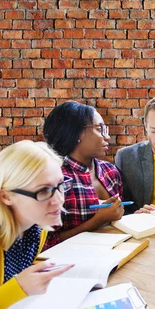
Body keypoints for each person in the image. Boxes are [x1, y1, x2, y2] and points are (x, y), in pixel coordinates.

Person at [0, 141, 75, 309]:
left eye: (60, 185)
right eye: (43, 191)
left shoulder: (36, 226)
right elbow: (12, 287)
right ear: (6, 196)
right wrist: (17, 288)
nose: (58, 200)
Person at [43, 101, 124, 248]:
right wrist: (95, 222)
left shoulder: (110, 171)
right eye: (100, 129)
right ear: (76, 133)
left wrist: (139, 214)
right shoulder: (56, 179)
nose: (107, 137)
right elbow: (45, 244)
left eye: (105, 129)